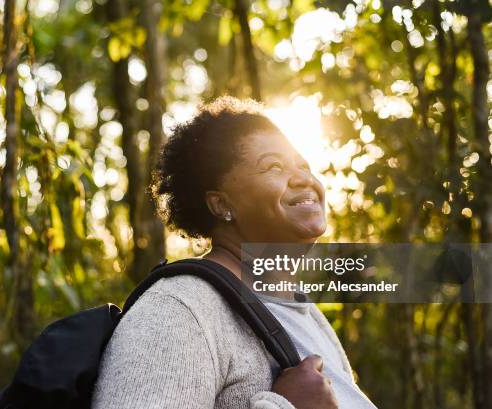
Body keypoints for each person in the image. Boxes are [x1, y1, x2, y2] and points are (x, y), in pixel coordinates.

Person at [92, 97, 377, 409]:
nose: (304, 178)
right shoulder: (179, 309)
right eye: (274, 166)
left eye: (304, 166)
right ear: (222, 204)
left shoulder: (303, 313)